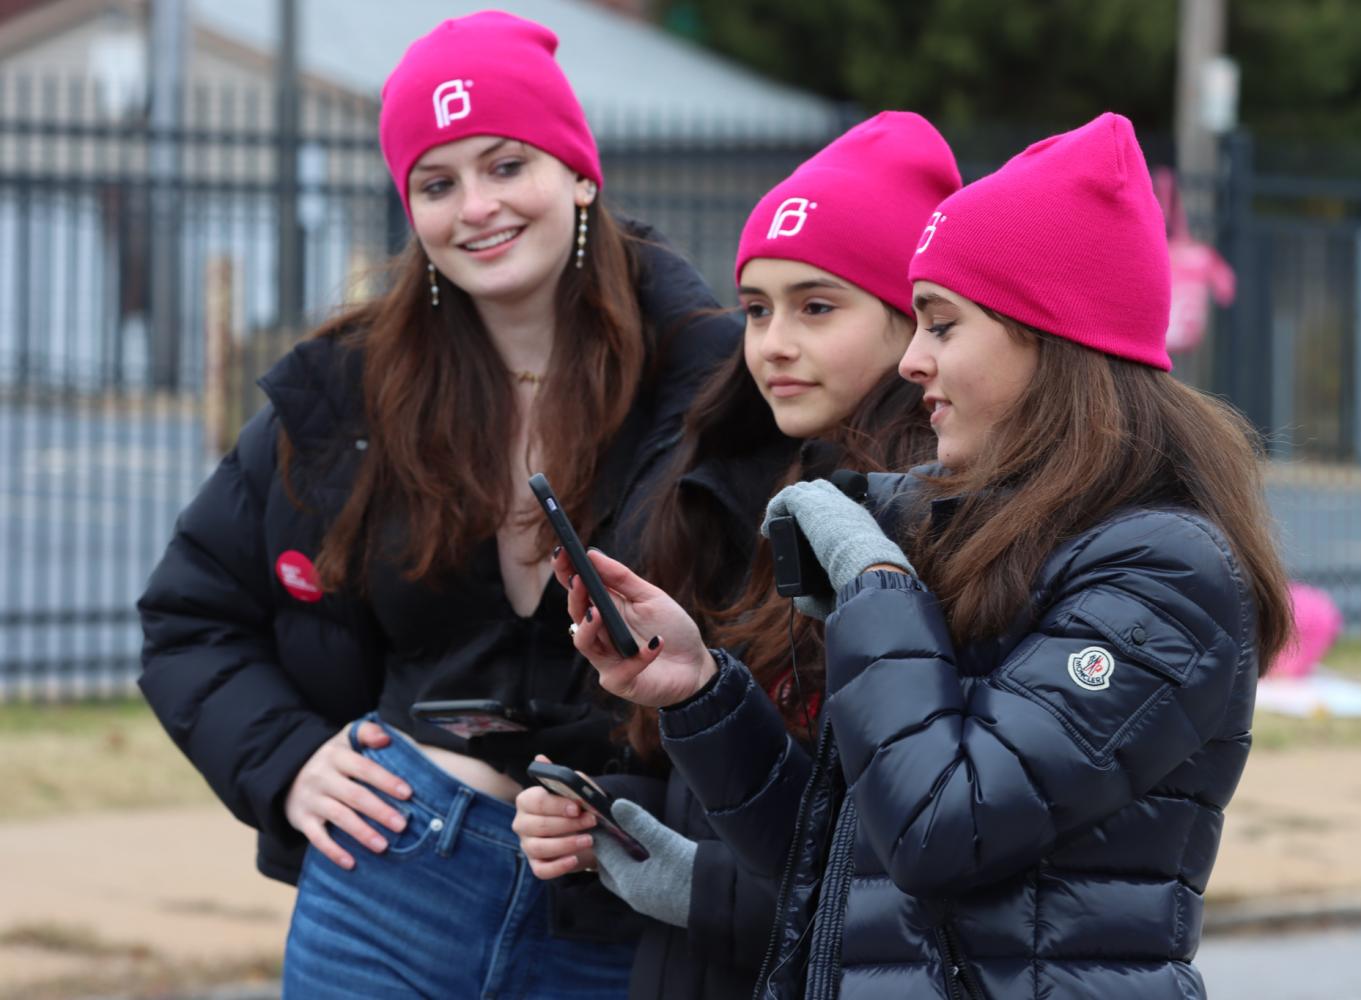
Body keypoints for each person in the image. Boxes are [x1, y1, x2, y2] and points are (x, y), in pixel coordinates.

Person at [552, 112, 1293, 999]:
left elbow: (943, 829)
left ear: (1047, 337)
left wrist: (875, 587)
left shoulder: (1164, 573)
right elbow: (844, 868)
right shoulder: (975, 533)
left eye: (940, 324)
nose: (911, 360)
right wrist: (703, 696)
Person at [136, 11, 746, 999]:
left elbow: (775, 664)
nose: (476, 208)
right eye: (437, 181)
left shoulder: (715, 382)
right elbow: (190, 615)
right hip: (387, 886)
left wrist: (648, 806)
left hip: (623, 913)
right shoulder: (348, 391)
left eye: (508, 165)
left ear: (579, 172)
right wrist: (287, 761)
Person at [511, 112, 960, 999]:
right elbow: (698, 777)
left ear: (911, 322)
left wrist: (693, 885)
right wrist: (596, 810)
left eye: (816, 306)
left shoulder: (932, 522)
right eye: (756, 309)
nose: (772, 343)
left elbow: (896, 879)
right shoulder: (718, 483)